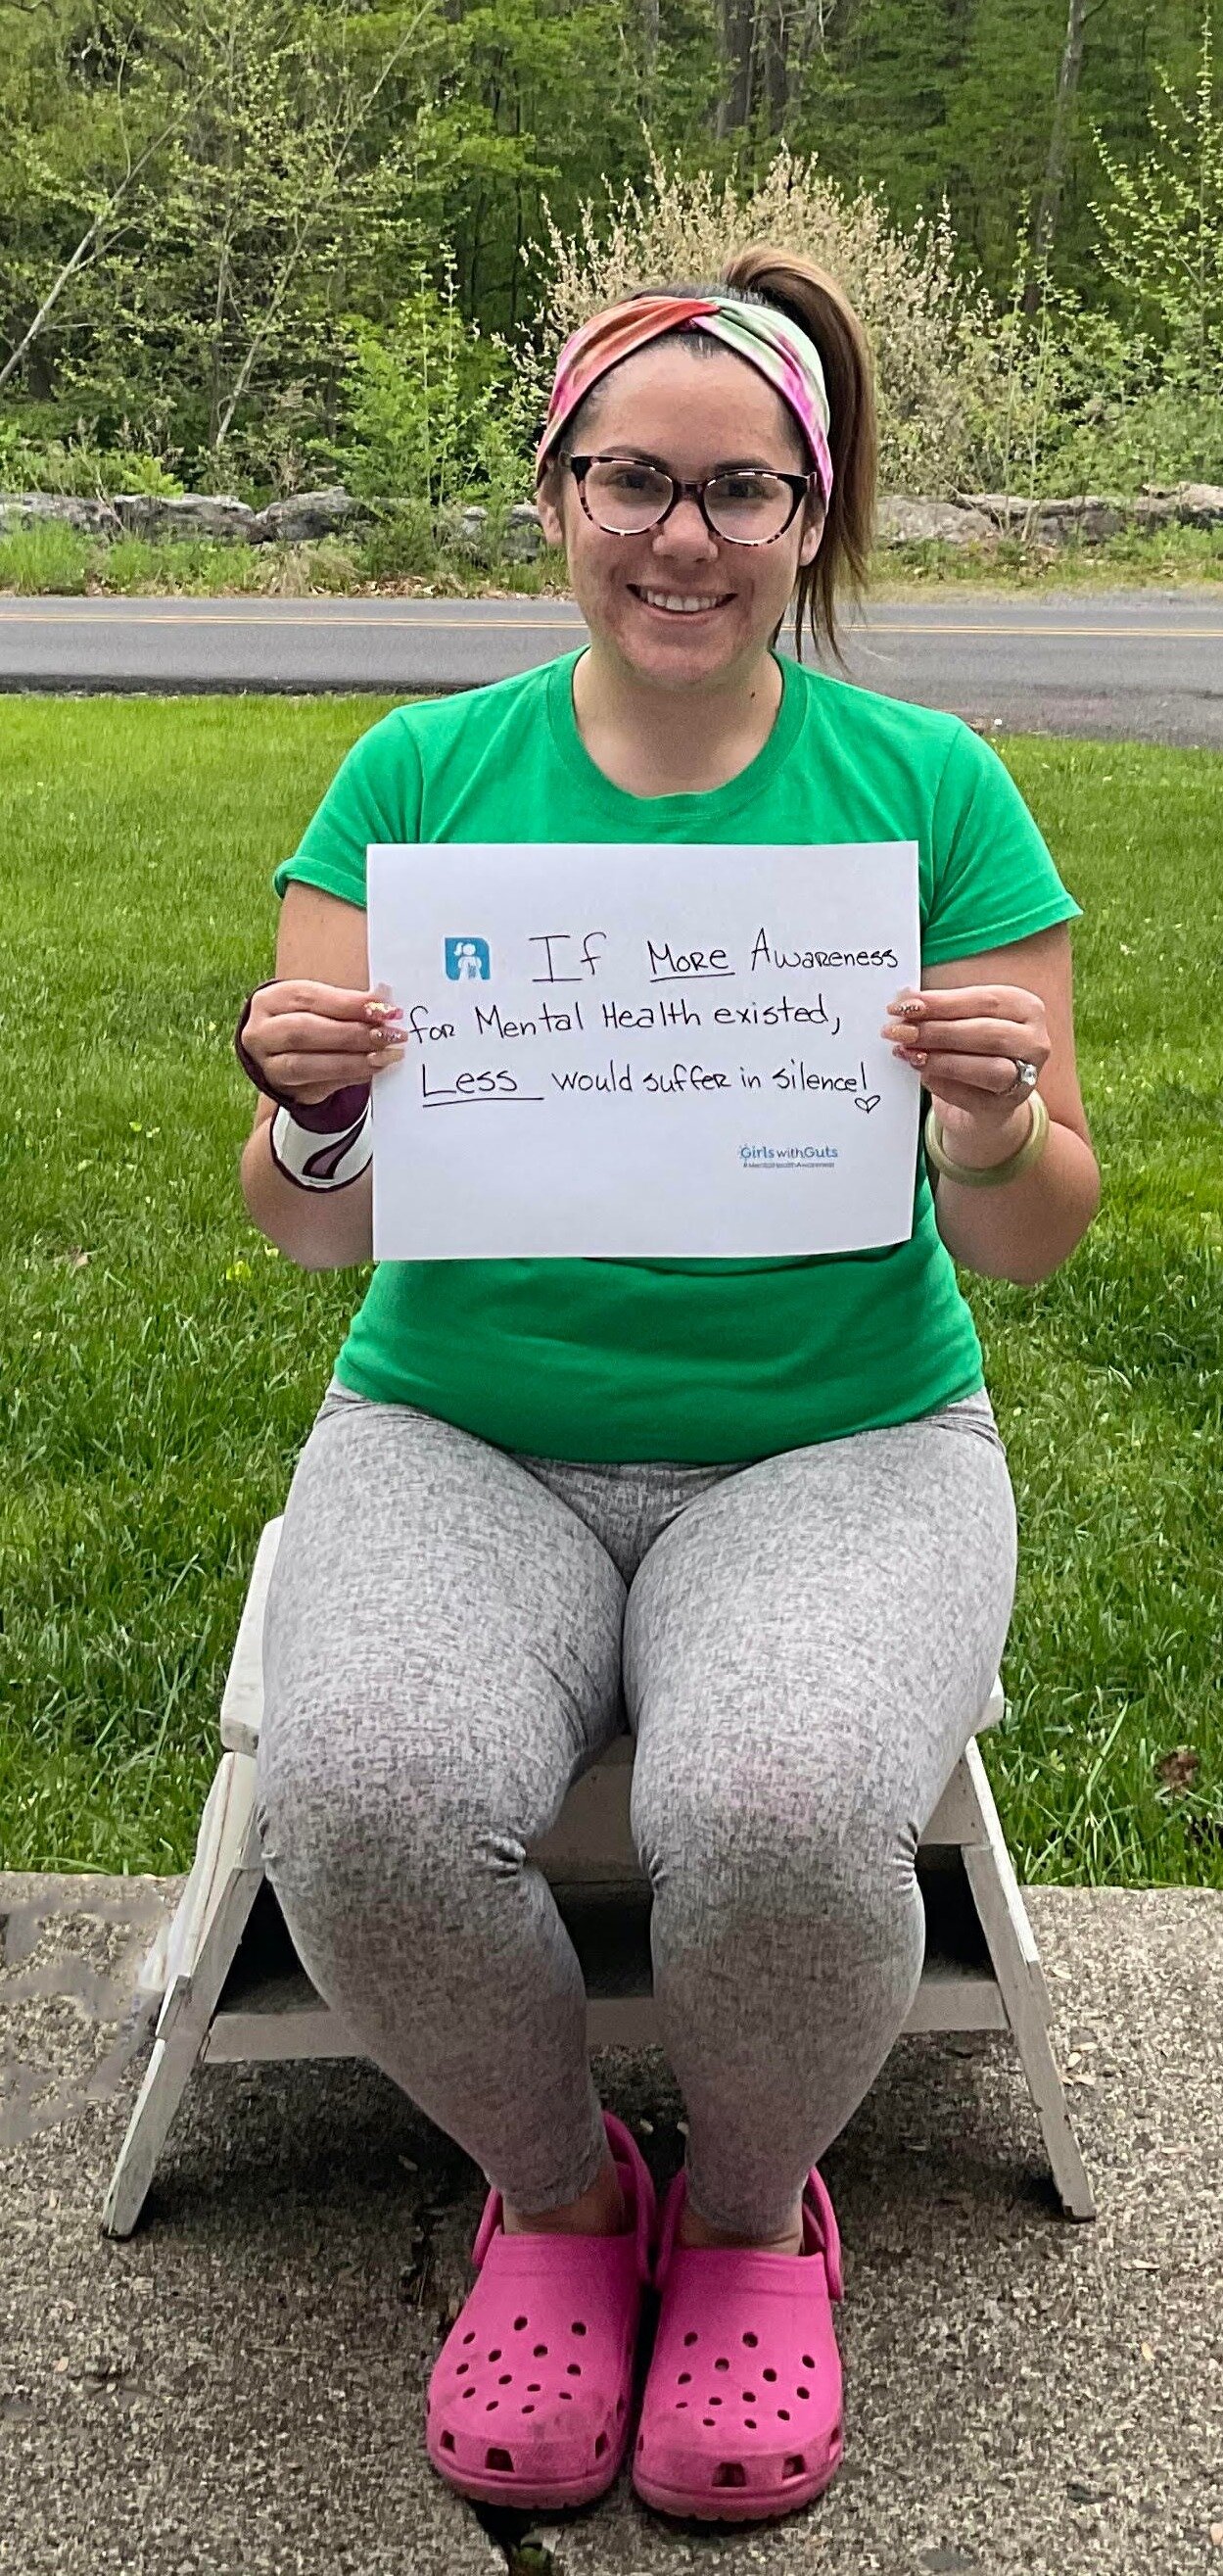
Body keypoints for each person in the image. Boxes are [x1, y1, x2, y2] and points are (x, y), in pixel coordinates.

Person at [234, 245, 1099, 2529]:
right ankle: (552, 2190)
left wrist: (995, 1125)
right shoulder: (422, 774)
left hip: (843, 1437)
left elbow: (1028, 1235)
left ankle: (743, 2213)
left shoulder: (927, 792)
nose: (680, 535)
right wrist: (308, 1106)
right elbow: (312, 1222)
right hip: (462, 1418)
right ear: (555, 493)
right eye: (633, 479)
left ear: (809, 518)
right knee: (361, 1784)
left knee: (795, 1802)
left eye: (739, 490)